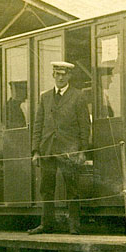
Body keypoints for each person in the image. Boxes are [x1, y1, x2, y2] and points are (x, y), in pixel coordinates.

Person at [28, 61, 91, 235]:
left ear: (69, 76)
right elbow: (38, 125)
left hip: (69, 150)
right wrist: (36, 150)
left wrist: (82, 151)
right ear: (53, 75)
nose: (61, 78)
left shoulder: (78, 96)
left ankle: (74, 226)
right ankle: (47, 224)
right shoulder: (45, 97)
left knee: (72, 188)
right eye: (57, 74)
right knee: (46, 189)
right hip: (47, 149)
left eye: (64, 74)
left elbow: (85, 126)